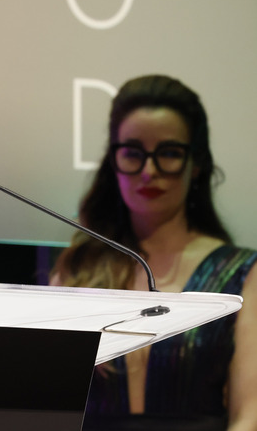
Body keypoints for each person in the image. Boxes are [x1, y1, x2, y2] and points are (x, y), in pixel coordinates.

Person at [51, 75, 257, 430]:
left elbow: (248, 416)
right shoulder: (77, 270)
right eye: (133, 153)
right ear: (113, 161)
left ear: (196, 164)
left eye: (169, 153)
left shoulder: (243, 273)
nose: (149, 171)